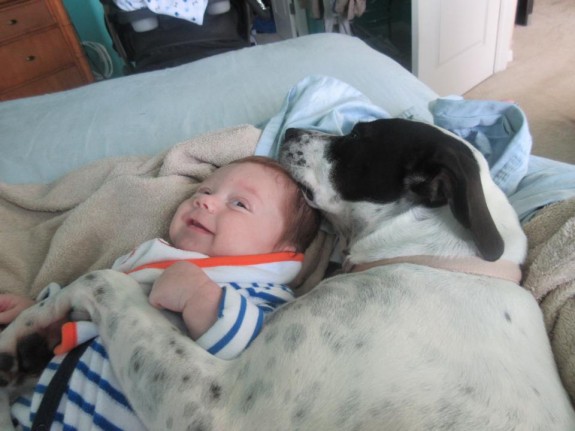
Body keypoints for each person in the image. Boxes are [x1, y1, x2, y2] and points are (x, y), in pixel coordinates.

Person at [0, 155, 321, 430]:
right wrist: (44, 310)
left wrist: (202, 299)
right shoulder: (149, 262)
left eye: (239, 204)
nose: (206, 201)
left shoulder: (261, 292)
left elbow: (257, 359)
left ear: (285, 252)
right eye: (205, 190)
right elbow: (89, 318)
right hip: (40, 408)